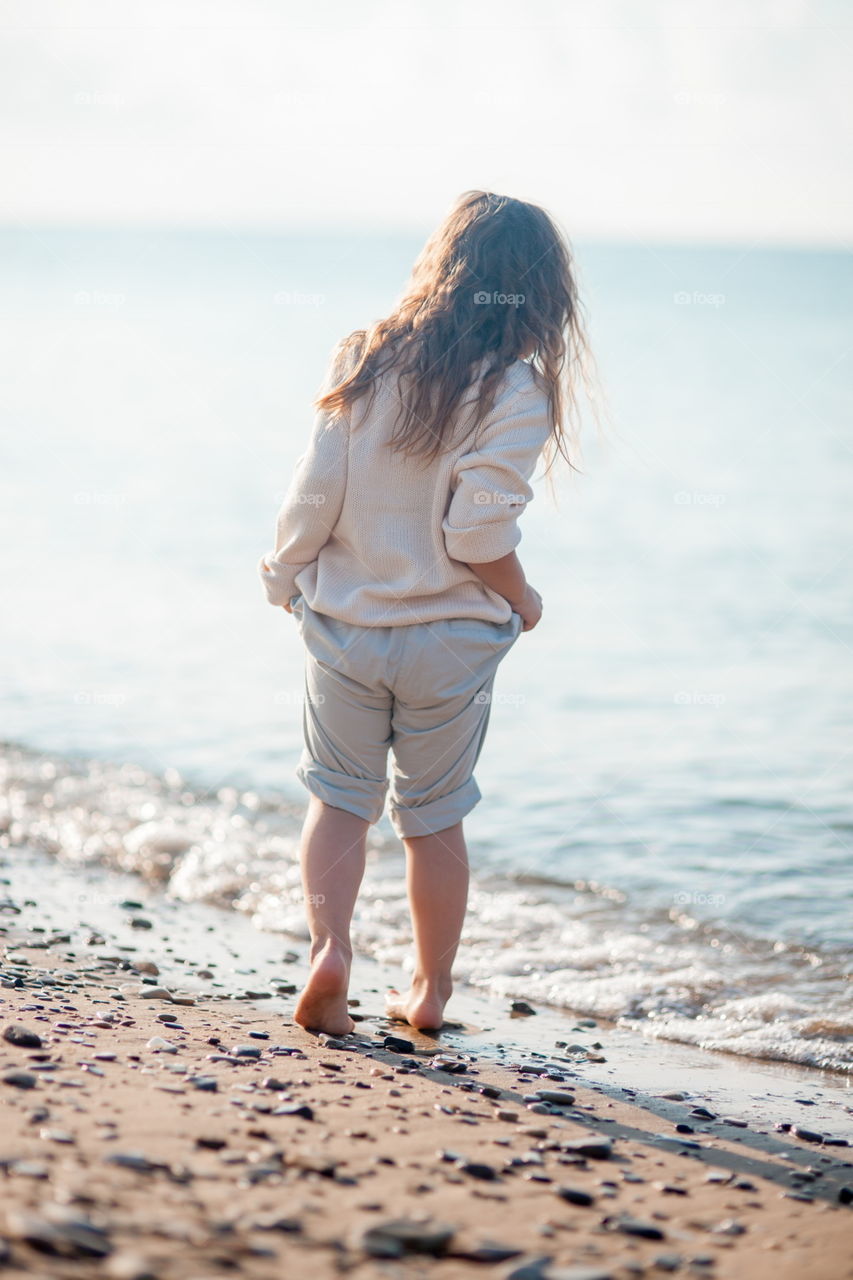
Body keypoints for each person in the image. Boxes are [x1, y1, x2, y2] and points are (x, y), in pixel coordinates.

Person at [259, 190, 591, 1034]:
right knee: (433, 818)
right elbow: (476, 531)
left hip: (345, 629)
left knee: (339, 799)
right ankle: (428, 991)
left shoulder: (364, 355)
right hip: (449, 643)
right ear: (539, 294)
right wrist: (522, 600)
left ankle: (329, 952)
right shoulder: (519, 388)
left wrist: (284, 572)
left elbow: (315, 489)